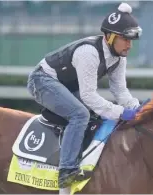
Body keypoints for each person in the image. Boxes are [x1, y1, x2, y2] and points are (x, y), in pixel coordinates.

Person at [27, 2, 145, 188]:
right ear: (110, 37)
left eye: (131, 40)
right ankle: (66, 170)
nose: (129, 45)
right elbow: (89, 96)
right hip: (42, 81)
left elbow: (120, 92)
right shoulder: (89, 53)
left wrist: (137, 109)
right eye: (125, 39)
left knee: (95, 115)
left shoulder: (119, 57)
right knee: (80, 114)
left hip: (65, 85)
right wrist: (121, 113)